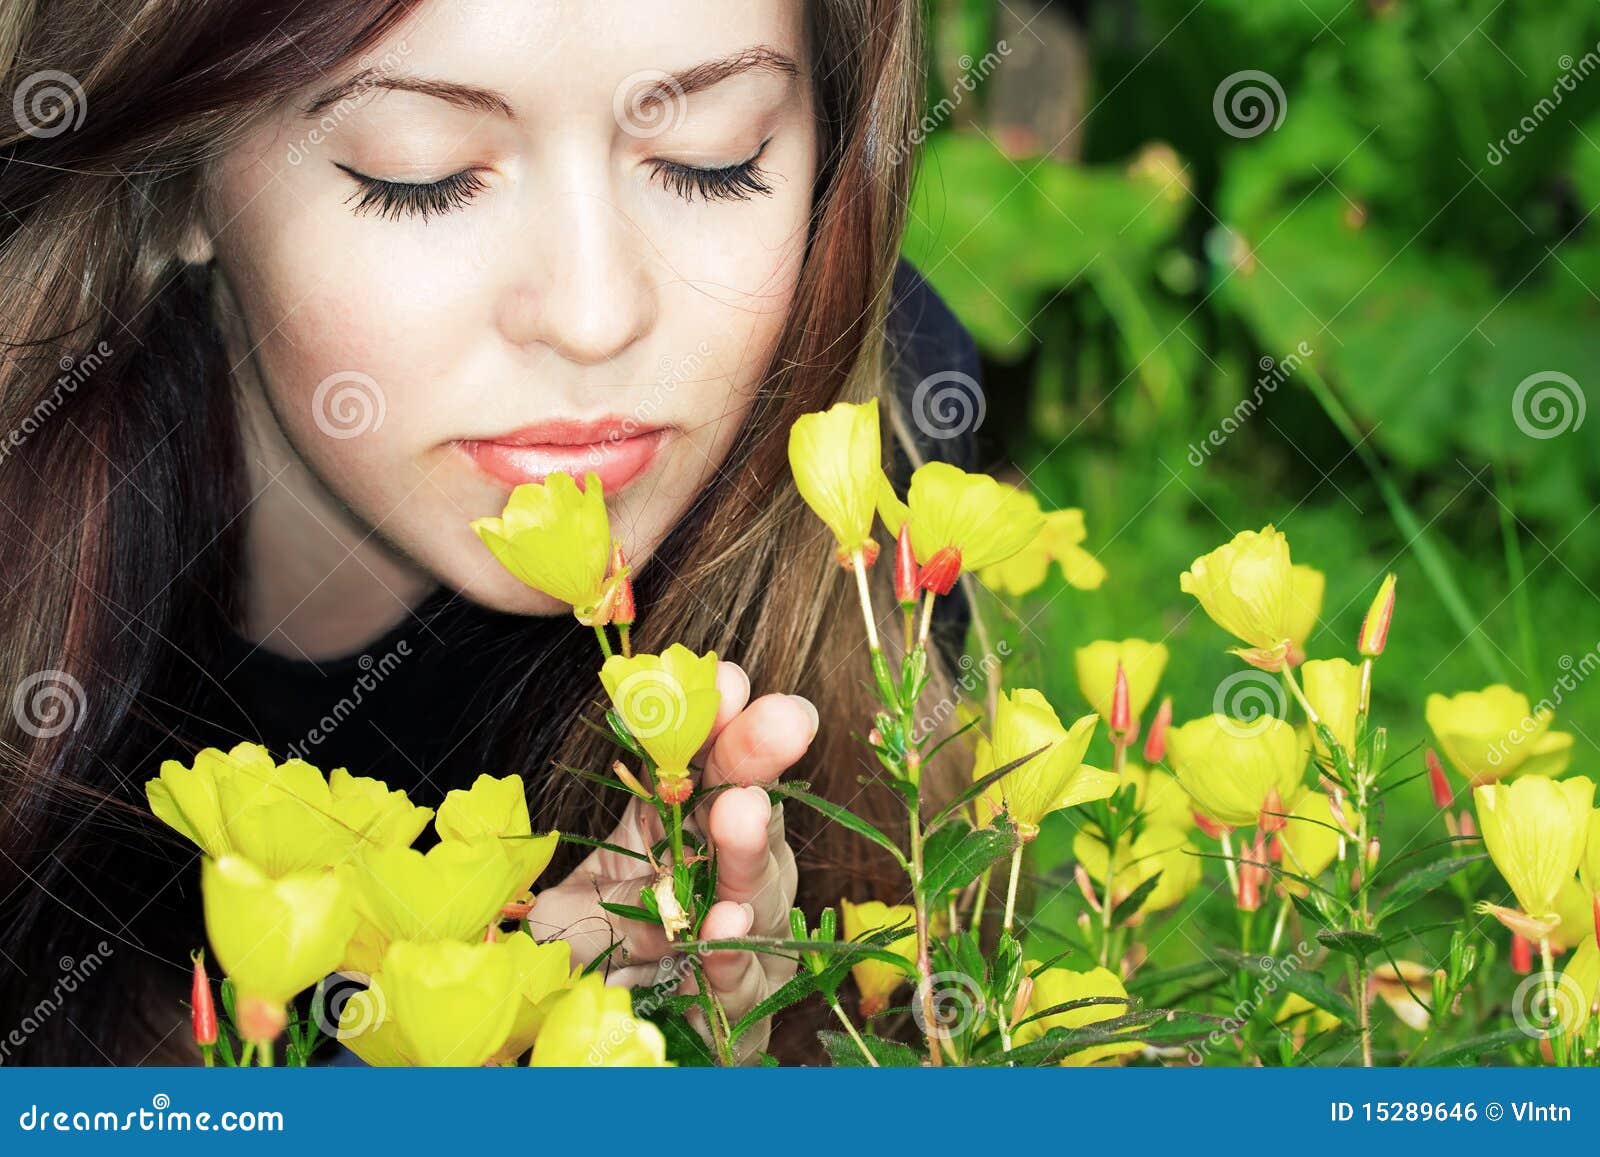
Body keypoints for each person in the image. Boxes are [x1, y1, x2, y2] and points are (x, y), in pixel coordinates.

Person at [0, 0, 982, 1065]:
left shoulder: (884, 459)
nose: (594, 316)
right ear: (175, 177)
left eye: (712, 159)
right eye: (421, 176)